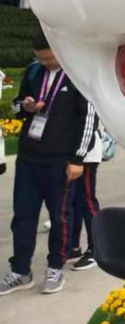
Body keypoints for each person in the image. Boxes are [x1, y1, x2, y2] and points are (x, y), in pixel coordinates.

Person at [0, 31, 97, 295]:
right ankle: (20, 270)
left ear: (60, 49)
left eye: (49, 58)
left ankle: (55, 267)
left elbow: (88, 118)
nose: (45, 63)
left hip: (61, 160)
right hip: (29, 157)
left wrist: (78, 159)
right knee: (23, 215)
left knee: (60, 217)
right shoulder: (33, 72)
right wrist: (26, 107)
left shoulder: (77, 75)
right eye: (40, 58)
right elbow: (16, 107)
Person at [68, 122, 104, 270]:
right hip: (71, 152)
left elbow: (89, 122)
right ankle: (73, 246)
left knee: (87, 200)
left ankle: (96, 249)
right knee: (73, 201)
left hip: (87, 153)